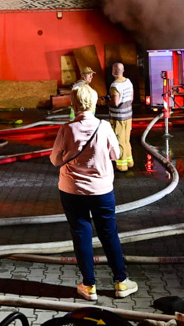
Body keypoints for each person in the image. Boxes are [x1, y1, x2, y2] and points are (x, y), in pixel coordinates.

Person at [50, 85, 138, 301]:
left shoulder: (67, 129)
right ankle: (121, 283)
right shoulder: (105, 126)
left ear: (74, 103)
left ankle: (89, 286)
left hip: (72, 190)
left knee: (81, 235)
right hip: (101, 191)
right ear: (93, 102)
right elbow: (116, 154)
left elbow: (54, 160)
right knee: (109, 234)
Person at [108, 62, 134, 172]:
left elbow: (115, 102)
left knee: (119, 141)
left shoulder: (115, 86)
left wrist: (106, 102)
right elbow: (131, 99)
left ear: (114, 71)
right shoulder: (128, 82)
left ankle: (122, 165)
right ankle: (130, 161)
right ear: (123, 71)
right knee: (126, 140)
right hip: (128, 116)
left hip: (118, 117)